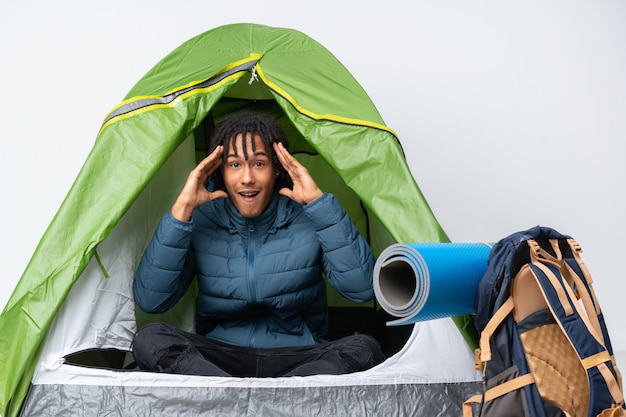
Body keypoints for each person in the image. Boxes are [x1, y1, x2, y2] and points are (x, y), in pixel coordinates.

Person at [131, 111, 385, 377]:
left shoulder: (310, 217)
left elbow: (363, 289)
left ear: (277, 168)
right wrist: (181, 211)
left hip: (297, 357)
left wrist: (319, 204)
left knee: (364, 348)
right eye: (235, 165)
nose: (247, 178)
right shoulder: (202, 220)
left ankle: (250, 399)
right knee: (149, 340)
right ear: (220, 171)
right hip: (220, 358)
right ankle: (252, 398)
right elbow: (151, 300)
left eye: (259, 164)